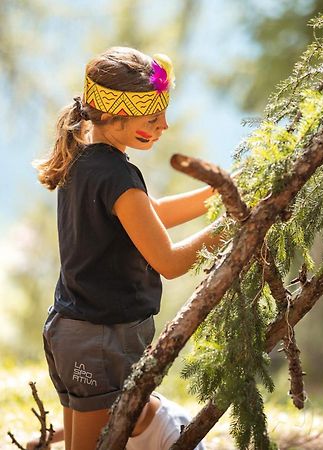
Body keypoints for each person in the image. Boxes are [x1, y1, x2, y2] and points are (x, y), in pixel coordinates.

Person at [35, 46, 223, 450]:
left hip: (76, 331)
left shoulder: (85, 160)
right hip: (100, 339)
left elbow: (148, 215)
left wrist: (219, 192)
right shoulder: (118, 175)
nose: (164, 126)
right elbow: (169, 262)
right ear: (114, 117)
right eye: (153, 118)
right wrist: (235, 228)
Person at [26, 392, 205, 450]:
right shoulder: (114, 414)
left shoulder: (172, 429)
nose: (117, 417)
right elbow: (88, 427)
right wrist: (45, 439)